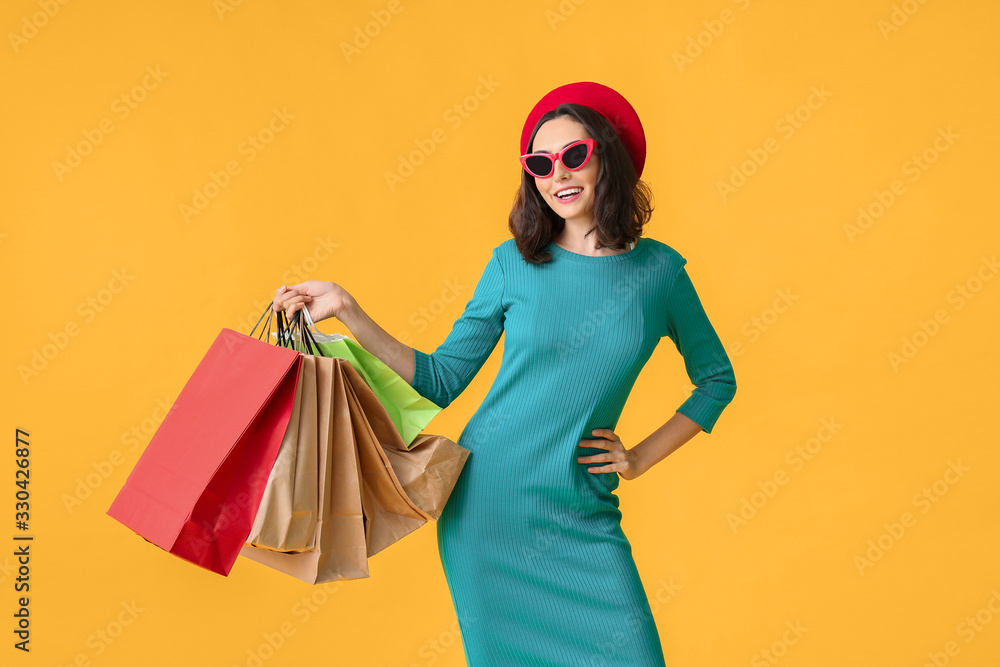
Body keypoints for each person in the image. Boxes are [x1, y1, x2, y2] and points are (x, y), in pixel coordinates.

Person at [272, 81, 737, 666]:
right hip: (488, 507)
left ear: (606, 158)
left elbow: (717, 378)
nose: (558, 175)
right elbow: (440, 379)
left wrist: (639, 457)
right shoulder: (512, 263)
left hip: (582, 510)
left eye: (574, 156)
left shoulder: (660, 272)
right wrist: (346, 309)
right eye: (541, 164)